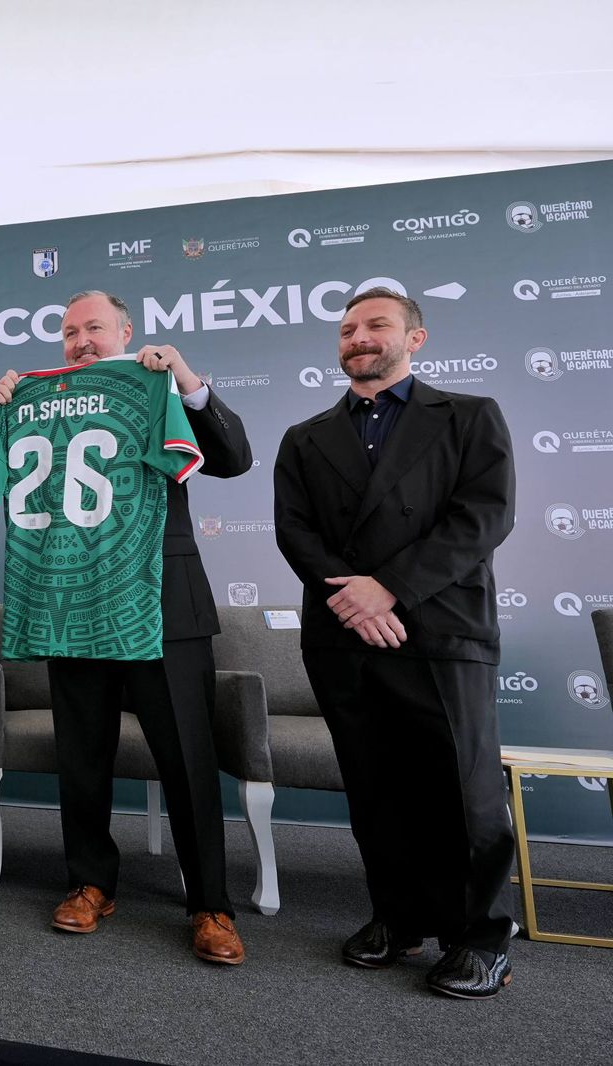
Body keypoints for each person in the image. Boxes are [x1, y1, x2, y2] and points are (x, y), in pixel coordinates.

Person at [0, 290, 251, 964]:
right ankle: (91, 882)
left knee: (188, 757)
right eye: (69, 332)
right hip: (73, 597)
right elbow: (0, 473)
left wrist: (185, 381)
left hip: (161, 603)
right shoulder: (37, 400)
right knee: (82, 754)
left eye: (93, 328)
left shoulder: (156, 384)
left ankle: (211, 904)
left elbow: (234, 456)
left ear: (126, 331)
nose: (80, 342)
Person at [273, 287, 517, 998]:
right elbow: (297, 533)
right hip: (343, 633)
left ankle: (480, 937)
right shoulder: (306, 436)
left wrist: (391, 589)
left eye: (376, 325)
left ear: (417, 337)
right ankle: (397, 917)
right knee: (374, 789)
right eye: (348, 328)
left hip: (440, 628)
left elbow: (483, 517)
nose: (358, 337)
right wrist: (353, 601)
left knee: (463, 791)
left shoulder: (469, 417)